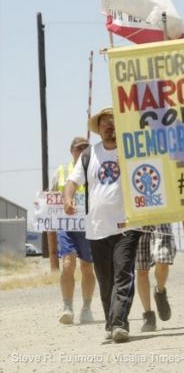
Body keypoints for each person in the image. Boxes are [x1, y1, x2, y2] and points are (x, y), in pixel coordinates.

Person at [64, 107, 141, 342]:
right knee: (106, 281)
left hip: (127, 225)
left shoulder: (132, 150)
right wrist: (68, 197)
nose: (110, 125)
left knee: (123, 275)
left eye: (114, 121)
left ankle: (119, 323)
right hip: (97, 229)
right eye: (105, 122)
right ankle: (111, 321)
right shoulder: (89, 155)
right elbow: (72, 181)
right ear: (98, 129)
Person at [51, 136, 96, 325]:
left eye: (86, 148)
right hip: (66, 226)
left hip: (89, 225)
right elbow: (49, 200)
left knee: (87, 267)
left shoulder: (96, 170)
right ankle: (67, 306)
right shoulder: (61, 172)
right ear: (72, 151)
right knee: (68, 263)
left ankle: (86, 308)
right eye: (78, 148)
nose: (82, 150)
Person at [136, 224, 176, 332]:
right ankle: (148, 315)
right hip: (137, 222)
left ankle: (160, 291)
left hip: (160, 219)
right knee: (142, 270)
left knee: (163, 260)